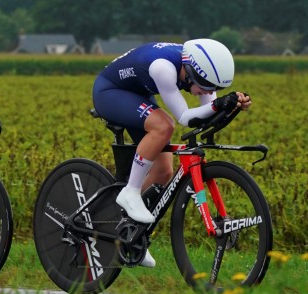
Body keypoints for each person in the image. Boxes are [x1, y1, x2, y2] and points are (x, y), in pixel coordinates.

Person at [92, 39, 251, 267]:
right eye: (205, 86)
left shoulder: (195, 69)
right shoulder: (163, 68)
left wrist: (231, 105)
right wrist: (218, 105)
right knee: (164, 126)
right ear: (190, 71)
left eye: (214, 89)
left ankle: (128, 232)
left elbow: (208, 114)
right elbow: (185, 117)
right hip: (110, 91)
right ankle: (130, 192)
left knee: (163, 170)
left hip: (137, 93)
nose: (207, 92)